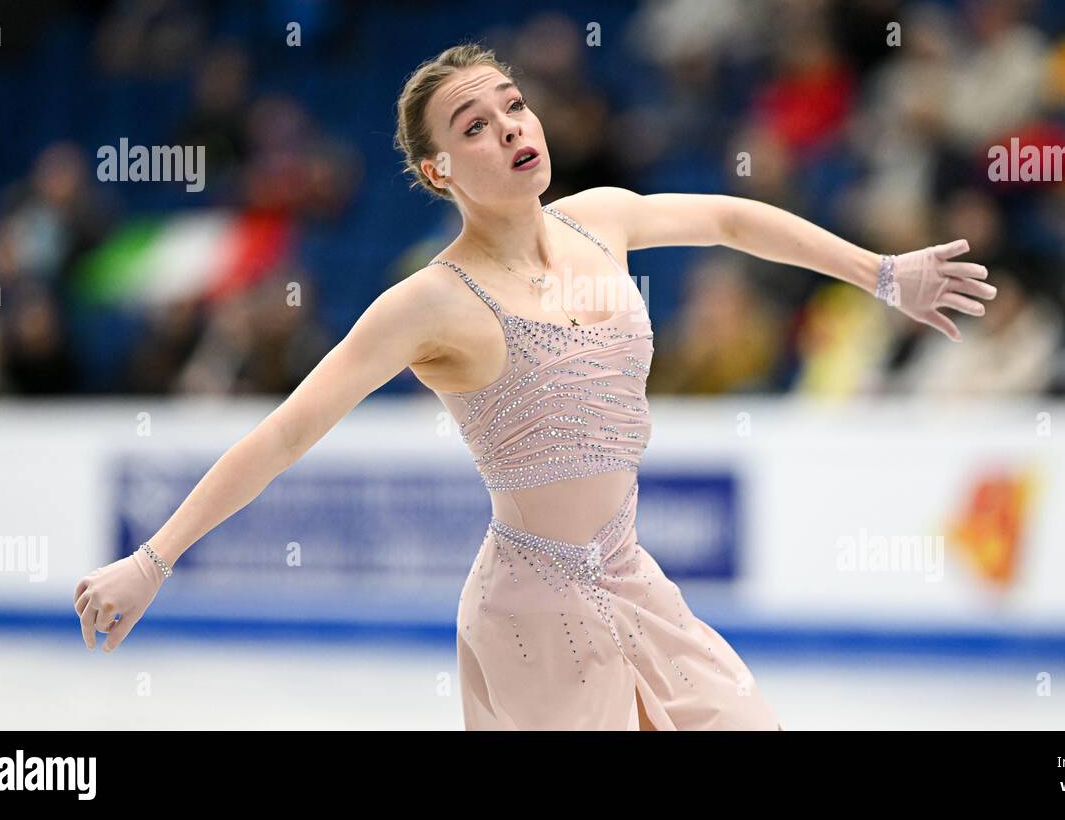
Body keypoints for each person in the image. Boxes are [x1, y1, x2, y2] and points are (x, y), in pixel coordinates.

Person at [73, 43, 997, 730]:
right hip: (531, 610)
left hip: (631, 576)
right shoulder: (427, 304)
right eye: (475, 125)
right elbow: (281, 436)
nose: (512, 127)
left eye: (514, 106)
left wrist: (880, 274)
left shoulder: (600, 220)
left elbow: (726, 217)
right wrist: (152, 561)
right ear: (439, 170)